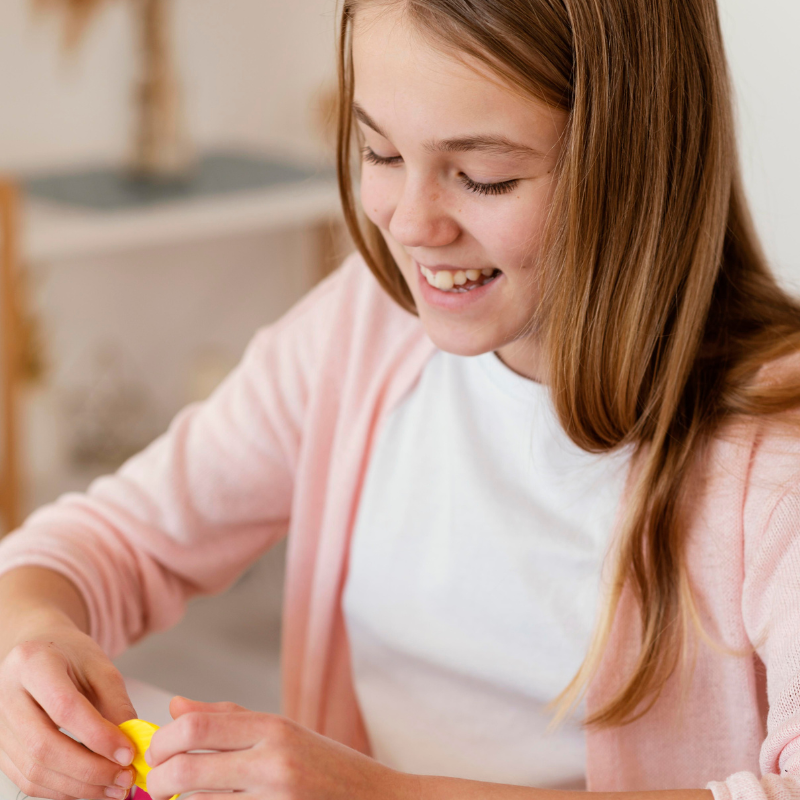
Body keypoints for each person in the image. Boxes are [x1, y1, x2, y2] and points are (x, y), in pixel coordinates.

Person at [1, 1, 800, 799]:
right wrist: (29, 642)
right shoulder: (362, 332)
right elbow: (108, 541)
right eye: (378, 151)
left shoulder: (775, 456)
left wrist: (385, 794)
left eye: (483, 176)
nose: (411, 224)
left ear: (640, 162)